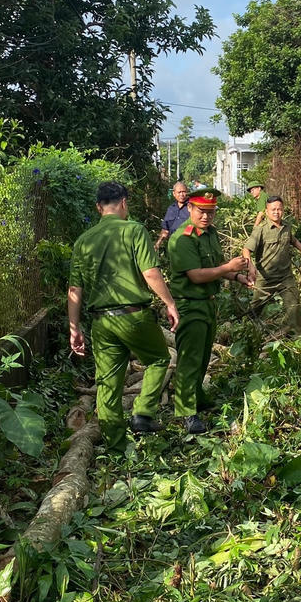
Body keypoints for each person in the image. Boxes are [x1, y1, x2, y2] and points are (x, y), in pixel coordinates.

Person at [68, 182, 180, 450]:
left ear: (98, 207)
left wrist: (74, 327)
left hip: (101, 322)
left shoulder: (84, 240)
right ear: (124, 203)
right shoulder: (134, 231)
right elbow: (150, 273)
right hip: (134, 316)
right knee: (159, 359)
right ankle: (142, 413)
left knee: (107, 384)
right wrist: (170, 303)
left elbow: (74, 289)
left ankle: (117, 447)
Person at [167, 185, 251, 434]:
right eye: (201, 211)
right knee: (190, 359)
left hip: (208, 303)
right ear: (190, 208)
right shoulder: (183, 238)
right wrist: (228, 268)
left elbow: (214, 266)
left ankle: (197, 396)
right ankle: (186, 411)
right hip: (190, 304)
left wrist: (236, 276)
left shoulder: (210, 234)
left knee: (202, 355)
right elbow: (195, 275)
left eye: (211, 212)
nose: (206, 216)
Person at [242, 195, 301, 332]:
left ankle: (295, 335)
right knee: (255, 308)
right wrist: (250, 268)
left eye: (279, 209)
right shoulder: (260, 229)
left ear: (283, 210)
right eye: (273, 209)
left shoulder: (287, 226)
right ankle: (244, 329)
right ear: (266, 211)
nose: (276, 212)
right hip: (266, 277)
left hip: (285, 276)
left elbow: (292, 240)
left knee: (294, 304)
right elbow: (246, 250)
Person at [156, 181, 190, 249]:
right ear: (174, 193)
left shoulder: (192, 207)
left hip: (189, 245)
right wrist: (158, 244)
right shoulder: (171, 209)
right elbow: (165, 229)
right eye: (179, 192)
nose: (182, 194)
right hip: (173, 245)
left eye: (184, 192)